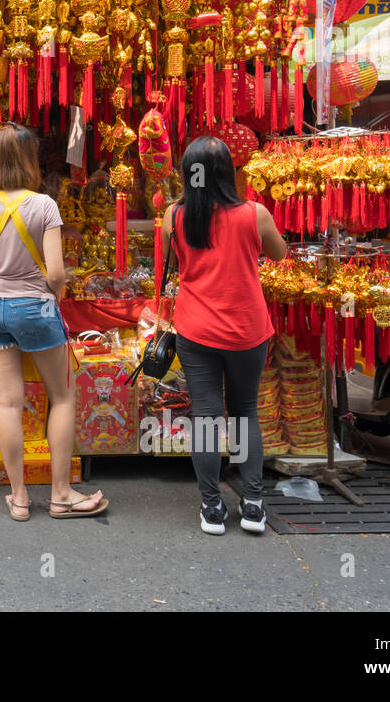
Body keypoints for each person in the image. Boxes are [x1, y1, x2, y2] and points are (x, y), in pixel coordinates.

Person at [0, 124, 107, 521]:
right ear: (29, 158)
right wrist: (47, 292)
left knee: (8, 401)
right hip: (36, 307)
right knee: (60, 396)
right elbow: (57, 274)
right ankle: (61, 495)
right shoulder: (44, 205)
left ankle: (20, 497)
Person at [161, 135, 287, 536]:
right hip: (247, 330)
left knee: (205, 418)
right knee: (245, 412)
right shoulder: (255, 214)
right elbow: (279, 254)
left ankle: (212, 506)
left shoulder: (175, 216)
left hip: (196, 329)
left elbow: (171, 259)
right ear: (229, 172)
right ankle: (252, 504)